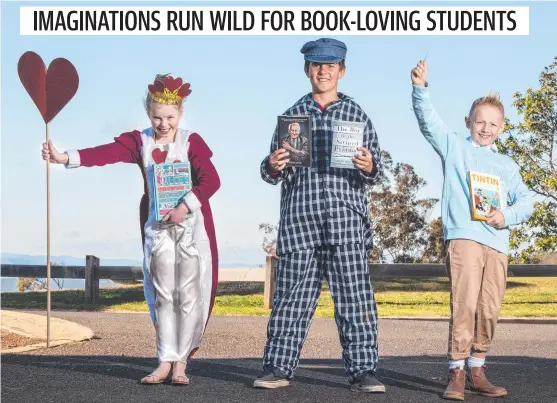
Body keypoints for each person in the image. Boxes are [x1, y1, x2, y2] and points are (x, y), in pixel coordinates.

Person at [41, 74, 220, 385]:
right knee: (163, 295)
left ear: (180, 114)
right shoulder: (141, 141)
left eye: (170, 117)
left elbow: (211, 180)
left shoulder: (191, 142)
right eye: (157, 117)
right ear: (148, 114)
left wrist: (185, 206)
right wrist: (65, 157)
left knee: (188, 294)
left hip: (190, 229)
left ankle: (182, 362)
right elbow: (105, 154)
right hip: (158, 227)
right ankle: (165, 359)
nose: (163, 124)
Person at [254, 38, 385, 393]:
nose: (323, 70)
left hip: (346, 223)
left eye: (330, 65)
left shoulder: (358, 117)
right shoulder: (292, 117)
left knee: (355, 299)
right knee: (291, 299)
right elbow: (269, 172)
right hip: (300, 223)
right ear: (307, 70)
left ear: (342, 71)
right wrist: (272, 165)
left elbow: (377, 171)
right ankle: (277, 367)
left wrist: (370, 165)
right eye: (316, 64)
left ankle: (364, 371)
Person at [411, 60, 533, 401]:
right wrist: (421, 90)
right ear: (468, 121)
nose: (485, 128)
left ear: (503, 127)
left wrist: (505, 216)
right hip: (465, 237)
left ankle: (478, 369)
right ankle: (457, 373)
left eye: (493, 123)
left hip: (498, 242)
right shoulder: (455, 148)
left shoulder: (507, 166)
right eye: (480, 121)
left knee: (489, 309)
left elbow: (528, 202)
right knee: (463, 304)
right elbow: (428, 122)